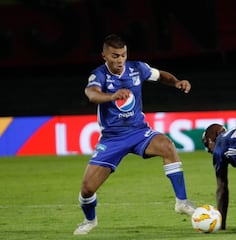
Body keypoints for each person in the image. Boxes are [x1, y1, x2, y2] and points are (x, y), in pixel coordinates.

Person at [73, 34, 195, 235]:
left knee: (167, 145)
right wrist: (112, 96)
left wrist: (176, 82)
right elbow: (91, 94)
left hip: (139, 131)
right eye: (114, 56)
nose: (120, 60)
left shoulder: (137, 68)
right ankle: (90, 220)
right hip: (113, 138)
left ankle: (182, 202)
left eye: (123, 55)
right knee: (87, 189)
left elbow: (160, 75)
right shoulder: (99, 75)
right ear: (104, 55)